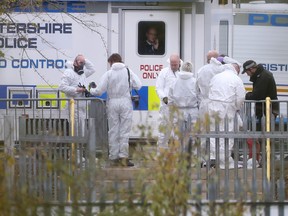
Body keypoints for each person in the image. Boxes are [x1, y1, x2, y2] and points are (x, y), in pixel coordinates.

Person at [90, 53, 142, 167]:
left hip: (113, 102)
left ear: (112, 62)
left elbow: (99, 90)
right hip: (125, 102)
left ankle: (113, 157)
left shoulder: (108, 74)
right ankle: (123, 157)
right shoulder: (128, 71)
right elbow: (139, 85)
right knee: (125, 131)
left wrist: (91, 90)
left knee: (113, 130)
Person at [207, 60, 246, 169]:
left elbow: (209, 91)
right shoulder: (236, 79)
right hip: (227, 108)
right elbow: (241, 97)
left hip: (212, 106)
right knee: (227, 134)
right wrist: (237, 107)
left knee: (214, 133)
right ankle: (225, 161)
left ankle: (215, 158)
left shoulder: (216, 77)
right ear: (236, 69)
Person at [59, 54, 96, 164]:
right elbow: (62, 87)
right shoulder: (68, 73)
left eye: (83, 64)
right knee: (75, 133)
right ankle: (75, 156)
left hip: (82, 107)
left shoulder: (83, 73)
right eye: (80, 63)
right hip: (73, 106)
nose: (82, 65)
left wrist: (84, 59)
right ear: (74, 62)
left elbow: (92, 68)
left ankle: (79, 155)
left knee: (82, 133)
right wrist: (76, 90)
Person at [242, 60, 279, 165]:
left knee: (267, 136)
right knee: (262, 135)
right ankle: (262, 160)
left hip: (268, 110)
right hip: (263, 111)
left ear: (251, 69)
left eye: (247, 72)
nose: (247, 74)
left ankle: (268, 161)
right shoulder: (261, 75)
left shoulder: (263, 77)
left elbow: (257, 95)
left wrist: (245, 95)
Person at [168, 61, 199, 151]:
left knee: (178, 135)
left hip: (179, 110)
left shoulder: (175, 81)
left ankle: (179, 157)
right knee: (193, 134)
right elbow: (199, 96)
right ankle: (192, 158)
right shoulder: (194, 81)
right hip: (192, 110)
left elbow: (170, 98)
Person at [155, 54, 181, 153]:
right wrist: (164, 97)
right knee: (164, 129)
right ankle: (161, 152)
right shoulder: (164, 72)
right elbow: (159, 87)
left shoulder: (182, 73)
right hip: (166, 106)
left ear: (179, 62)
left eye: (175, 64)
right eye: (172, 64)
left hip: (178, 106)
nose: (173, 66)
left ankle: (177, 153)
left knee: (177, 131)